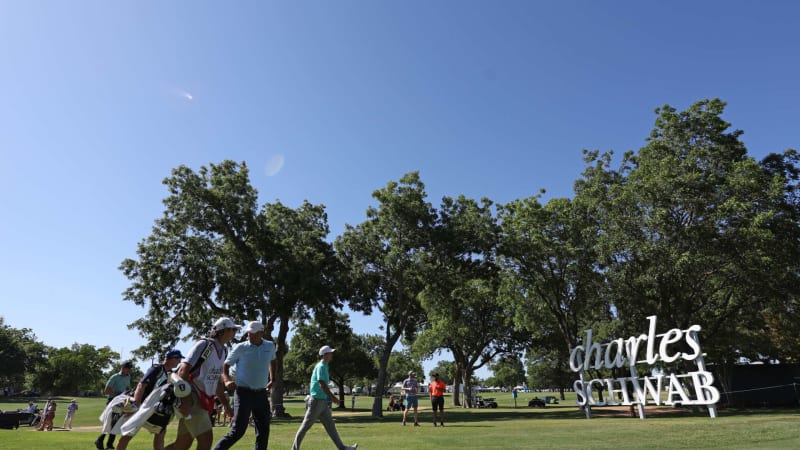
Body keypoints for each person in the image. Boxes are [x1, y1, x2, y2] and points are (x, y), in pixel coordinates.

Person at [164, 317, 236, 450]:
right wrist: (185, 400)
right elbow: (183, 371)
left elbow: (217, 381)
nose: (235, 332)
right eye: (233, 329)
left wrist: (225, 405)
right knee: (206, 440)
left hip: (203, 400)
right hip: (192, 397)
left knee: (181, 445)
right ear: (224, 330)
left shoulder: (224, 351)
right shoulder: (204, 345)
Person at [213, 320, 277, 450]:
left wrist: (273, 379)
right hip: (243, 393)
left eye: (253, 333)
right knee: (238, 430)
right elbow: (225, 365)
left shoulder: (270, 346)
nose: (249, 335)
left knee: (264, 430)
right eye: (248, 333)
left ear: (261, 333)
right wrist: (227, 380)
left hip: (261, 393)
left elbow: (273, 360)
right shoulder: (240, 347)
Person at [290, 345, 358, 450]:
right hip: (316, 402)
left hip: (322, 402)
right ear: (325, 355)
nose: (332, 355)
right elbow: (322, 384)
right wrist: (333, 397)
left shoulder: (325, 366)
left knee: (331, 427)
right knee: (305, 427)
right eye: (330, 353)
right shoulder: (321, 366)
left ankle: (342, 448)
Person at [115, 349, 184, 450]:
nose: (179, 362)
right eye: (178, 359)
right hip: (142, 406)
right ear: (172, 359)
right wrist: (136, 404)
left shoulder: (169, 373)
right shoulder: (156, 369)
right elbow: (141, 385)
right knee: (128, 434)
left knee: (160, 431)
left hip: (153, 408)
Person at [96, 361, 134, 449]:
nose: (129, 370)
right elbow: (106, 391)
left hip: (122, 402)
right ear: (123, 368)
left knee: (116, 423)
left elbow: (127, 388)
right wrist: (118, 394)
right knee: (110, 423)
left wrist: (129, 393)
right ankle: (100, 440)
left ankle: (109, 444)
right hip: (112, 401)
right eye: (128, 368)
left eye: (130, 369)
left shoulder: (128, 377)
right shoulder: (115, 377)